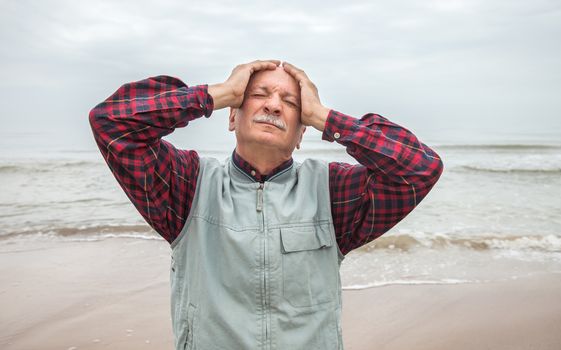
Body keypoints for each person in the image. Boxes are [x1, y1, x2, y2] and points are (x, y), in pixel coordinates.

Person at [89, 59, 443, 350]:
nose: (273, 105)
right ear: (232, 116)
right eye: (258, 95)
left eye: (291, 103)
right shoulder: (188, 184)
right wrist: (220, 93)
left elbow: (420, 168)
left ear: (302, 132)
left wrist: (324, 117)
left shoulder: (333, 191)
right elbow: (112, 122)